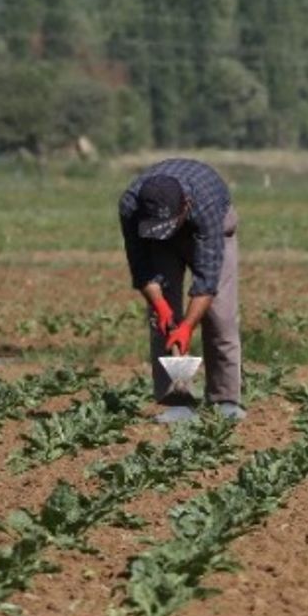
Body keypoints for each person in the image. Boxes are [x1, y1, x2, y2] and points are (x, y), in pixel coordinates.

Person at [119, 158, 244, 423]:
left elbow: (207, 280)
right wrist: (162, 307)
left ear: (185, 206)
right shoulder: (131, 206)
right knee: (162, 323)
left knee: (220, 316)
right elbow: (141, 266)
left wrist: (187, 326)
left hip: (214, 228)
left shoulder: (206, 203)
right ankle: (178, 401)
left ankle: (225, 400)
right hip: (161, 239)